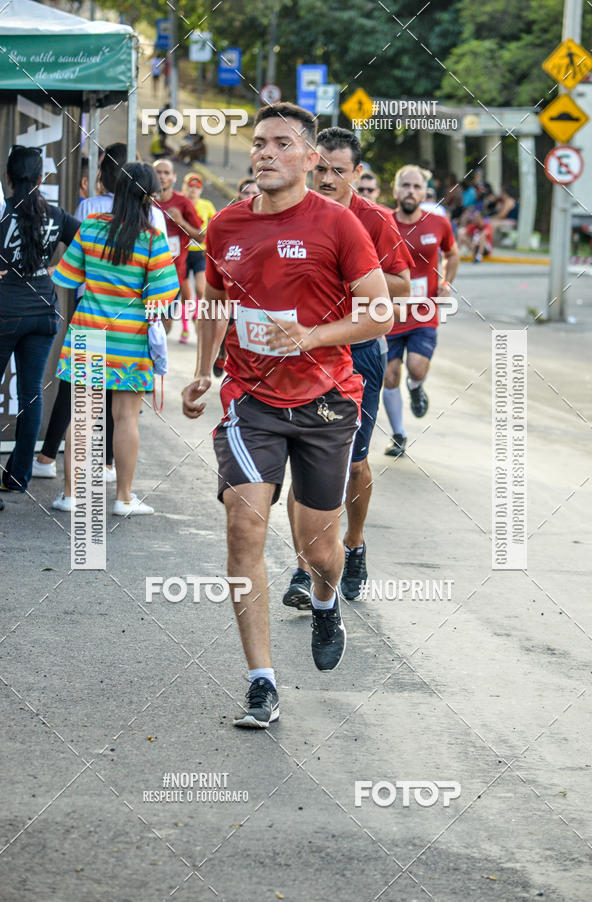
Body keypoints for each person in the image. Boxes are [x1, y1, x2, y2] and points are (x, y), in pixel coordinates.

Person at [181, 102, 392, 728]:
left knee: (318, 550)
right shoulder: (225, 227)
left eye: (280, 143)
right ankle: (261, 683)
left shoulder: (339, 225)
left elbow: (380, 314)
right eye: (258, 143)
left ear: (309, 158)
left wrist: (311, 336)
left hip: (328, 401)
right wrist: (204, 368)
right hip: (251, 401)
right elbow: (216, 301)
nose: (265, 152)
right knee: (243, 529)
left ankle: (326, 601)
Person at [283, 126, 412, 607]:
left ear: (357, 173)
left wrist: (358, 277)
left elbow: (401, 285)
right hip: (307, 349)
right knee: (307, 461)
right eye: (320, 169)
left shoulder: (375, 219)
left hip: (360, 352)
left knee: (353, 463)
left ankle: (353, 547)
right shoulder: (295, 214)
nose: (327, 179)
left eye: (339, 170)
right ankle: (302, 569)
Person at [33, 144, 168, 484]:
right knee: (126, 420)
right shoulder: (152, 240)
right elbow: (161, 297)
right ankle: (123, 497)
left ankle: (70, 495)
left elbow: (67, 276)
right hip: (131, 340)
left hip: (89, 331)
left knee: (80, 417)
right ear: (148, 196)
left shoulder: (91, 225)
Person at [0, 146, 80, 509]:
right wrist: (56, 273)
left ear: (9, 177)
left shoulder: (3, 213)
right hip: (45, 309)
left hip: (5, 308)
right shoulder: (57, 215)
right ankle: (18, 477)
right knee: (31, 391)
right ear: (41, 178)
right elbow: (87, 243)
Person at [383, 165, 460, 456]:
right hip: (388, 313)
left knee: (417, 367)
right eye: (406, 186)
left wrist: (446, 282)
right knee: (389, 375)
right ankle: (399, 435)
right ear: (396, 190)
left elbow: (452, 254)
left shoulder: (437, 224)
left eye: (417, 187)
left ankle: (416, 387)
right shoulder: (382, 224)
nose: (411, 192)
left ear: (424, 193)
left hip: (423, 312)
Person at [152, 159, 204, 336]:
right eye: (158, 172)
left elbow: (201, 235)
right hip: (146, 273)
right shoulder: (145, 200)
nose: (162, 176)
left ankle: (158, 360)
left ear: (174, 177)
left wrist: (181, 222)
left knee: (165, 322)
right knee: (145, 323)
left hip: (172, 275)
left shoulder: (183, 203)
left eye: (167, 173)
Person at [180, 172, 216, 343]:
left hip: (200, 252)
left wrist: (212, 243)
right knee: (187, 295)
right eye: (190, 186)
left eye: (197, 187)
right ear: (184, 187)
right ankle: (186, 328)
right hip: (183, 253)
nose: (193, 190)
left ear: (200, 190)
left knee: (201, 289)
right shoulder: (179, 202)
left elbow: (216, 223)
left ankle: (196, 315)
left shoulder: (206, 205)